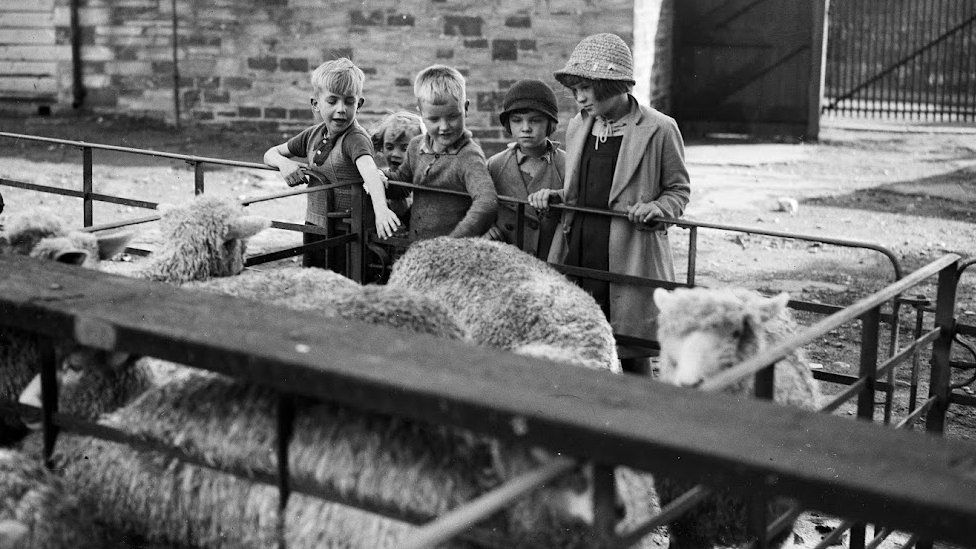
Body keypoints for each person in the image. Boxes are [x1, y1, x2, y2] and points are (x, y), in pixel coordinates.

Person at [528, 33, 691, 357]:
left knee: (631, 351)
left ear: (610, 84)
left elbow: (679, 190)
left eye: (586, 89)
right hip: (579, 250)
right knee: (579, 343)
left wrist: (657, 209)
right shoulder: (579, 125)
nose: (580, 99)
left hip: (629, 256)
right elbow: (582, 190)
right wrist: (555, 197)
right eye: (576, 91)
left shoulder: (659, 128)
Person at [264, 57, 400, 272]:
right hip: (316, 225)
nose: (341, 109)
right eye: (332, 101)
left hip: (347, 233)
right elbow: (271, 153)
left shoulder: (355, 139)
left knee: (342, 284)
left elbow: (371, 174)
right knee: (314, 280)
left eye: (349, 101)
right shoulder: (313, 134)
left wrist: (381, 209)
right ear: (316, 103)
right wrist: (284, 164)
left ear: (359, 104)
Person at [385, 65, 497, 241]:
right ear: (421, 114)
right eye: (434, 119)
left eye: (453, 116)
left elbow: (487, 202)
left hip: (451, 255)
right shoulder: (415, 146)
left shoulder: (468, 156)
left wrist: (453, 242)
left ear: (465, 108)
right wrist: (379, 178)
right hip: (417, 247)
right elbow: (401, 184)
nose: (444, 127)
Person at [485, 79, 566, 260]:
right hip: (506, 260)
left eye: (535, 121)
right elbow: (480, 204)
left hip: (551, 263)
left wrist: (558, 195)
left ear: (549, 124)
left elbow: (578, 201)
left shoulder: (566, 165)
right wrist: (486, 229)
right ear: (509, 125)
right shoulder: (495, 165)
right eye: (517, 121)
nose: (526, 128)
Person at [370, 111, 425, 224]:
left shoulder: (423, 178)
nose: (395, 154)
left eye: (405, 149)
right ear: (381, 146)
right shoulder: (384, 174)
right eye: (389, 147)